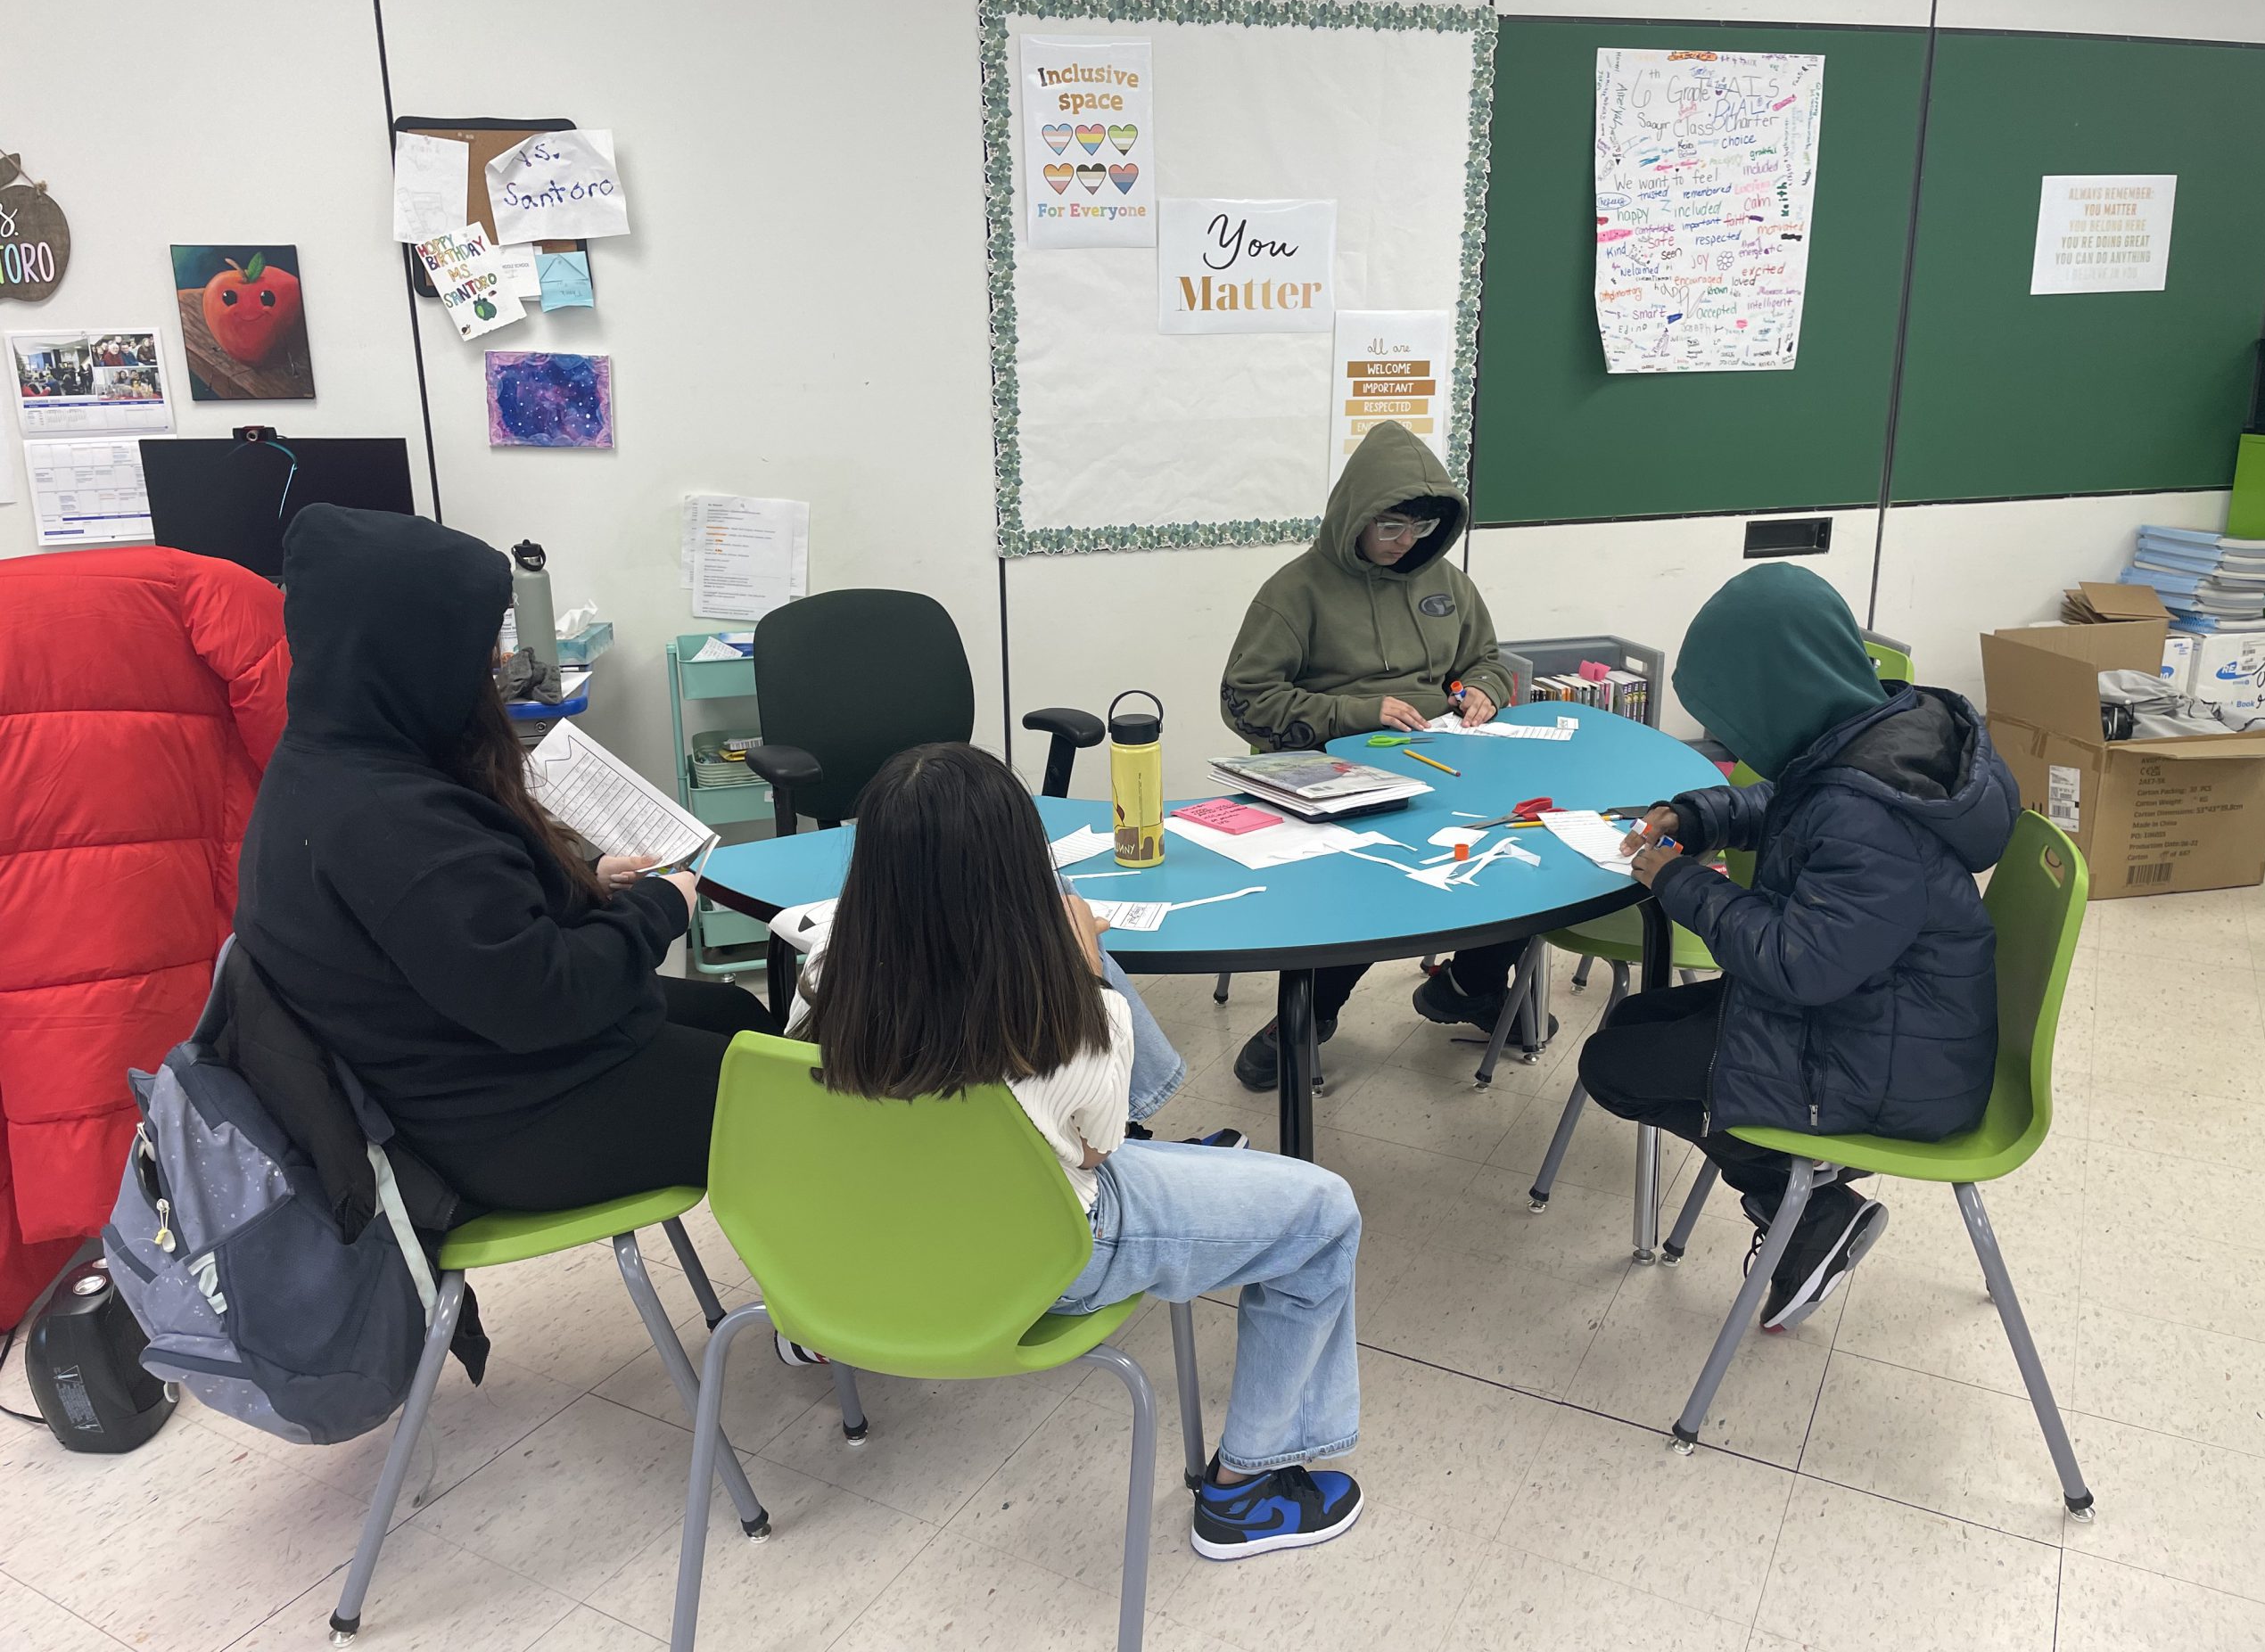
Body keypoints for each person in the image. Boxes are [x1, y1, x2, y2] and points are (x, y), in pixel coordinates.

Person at [795, 742, 1366, 1561]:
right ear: (1020, 869)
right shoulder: (1062, 1018)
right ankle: (1246, 1492)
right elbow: (1099, 1151)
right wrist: (1091, 969)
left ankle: (820, 1328)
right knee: (1322, 1213)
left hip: (866, 1253)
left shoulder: (826, 975)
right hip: (1039, 1252)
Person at [235, 504, 778, 1215]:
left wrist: (579, 884)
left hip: (471, 1067)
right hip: (509, 1121)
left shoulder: (329, 763)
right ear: (411, 648)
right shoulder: (392, 823)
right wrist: (658, 909)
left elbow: (467, 934)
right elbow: (544, 996)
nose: (496, 662)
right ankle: (836, 1297)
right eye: (479, 641)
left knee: (741, 1015)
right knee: (792, 1105)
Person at [1582, 563, 2019, 1332]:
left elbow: (1801, 962)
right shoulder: (1879, 731)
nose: (1737, 738)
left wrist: (1681, 882)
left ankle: (1810, 1206)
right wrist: (1699, 816)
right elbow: (1790, 804)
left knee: (1611, 1065)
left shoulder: (1866, 813)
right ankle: (1799, 1189)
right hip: (1888, 1021)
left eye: (1739, 719)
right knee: (1633, 1026)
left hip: (1889, 1065)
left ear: (1777, 692)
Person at [0, 546, 288, 1328]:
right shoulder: (211, 588)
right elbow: (299, 741)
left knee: (36, 1059)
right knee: (149, 1055)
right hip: (150, 888)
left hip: (24, 896)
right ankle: (164, 1267)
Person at [1217, 417, 1532, 1089]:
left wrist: (1481, 690)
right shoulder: (1293, 591)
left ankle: (1469, 984)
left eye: (1419, 529)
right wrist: (1354, 711)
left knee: (1527, 852)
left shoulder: (1447, 580)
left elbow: (1485, 659)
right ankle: (1310, 1011)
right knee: (1371, 885)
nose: (1404, 543)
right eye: (1389, 527)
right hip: (1335, 767)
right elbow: (1244, 700)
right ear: (1353, 515)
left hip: (1443, 758)